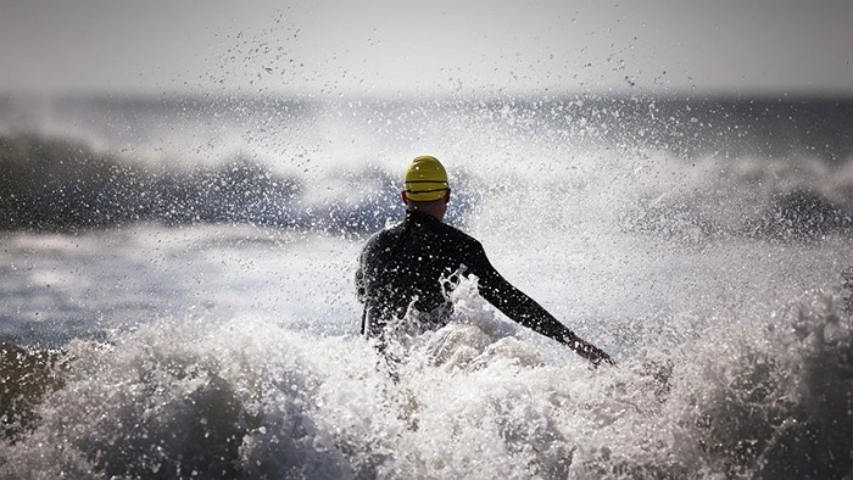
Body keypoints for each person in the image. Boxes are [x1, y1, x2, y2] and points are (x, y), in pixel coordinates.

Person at [355, 155, 613, 367]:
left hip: (379, 370)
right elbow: (507, 299)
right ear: (446, 196)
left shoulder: (373, 247)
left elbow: (365, 301)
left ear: (405, 197)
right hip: (430, 363)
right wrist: (571, 341)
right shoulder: (459, 246)